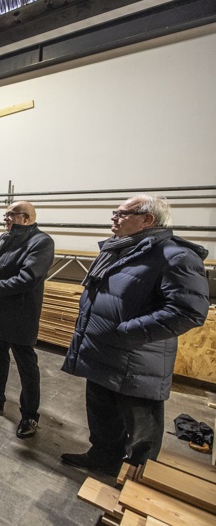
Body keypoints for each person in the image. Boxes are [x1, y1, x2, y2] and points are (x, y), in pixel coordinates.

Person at [61, 195, 209, 473]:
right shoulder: (119, 249)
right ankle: (102, 459)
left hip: (136, 360)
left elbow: (188, 311)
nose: (113, 218)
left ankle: (139, 480)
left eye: (121, 213)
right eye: (114, 212)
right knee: (102, 415)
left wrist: (128, 332)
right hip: (102, 350)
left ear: (147, 219)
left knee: (141, 428)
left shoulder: (175, 255)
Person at [0, 201, 54, 439]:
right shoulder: (4, 239)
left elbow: (27, 279)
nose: (5, 219)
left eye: (9, 215)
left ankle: (29, 415)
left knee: (27, 367)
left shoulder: (41, 242)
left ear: (24, 218)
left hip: (21, 315)